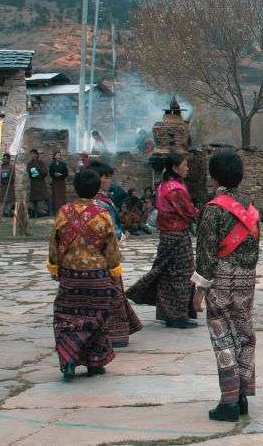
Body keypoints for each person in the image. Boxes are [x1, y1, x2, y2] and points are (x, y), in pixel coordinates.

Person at [191, 149, 260, 422]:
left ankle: (228, 401)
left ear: (214, 176)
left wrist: (199, 290)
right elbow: (254, 249)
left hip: (220, 280)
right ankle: (242, 395)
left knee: (222, 338)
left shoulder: (213, 209)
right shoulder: (251, 208)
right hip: (246, 281)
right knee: (244, 335)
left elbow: (206, 254)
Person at [47, 169, 122, 381]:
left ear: (75, 187)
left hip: (70, 275)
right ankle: (94, 364)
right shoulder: (102, 214)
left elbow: (55, 242)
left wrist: (54, 267)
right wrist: (114, 271)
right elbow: (111, 248)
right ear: (97, 189)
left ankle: (69, 359)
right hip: (97, 276)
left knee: (67, 318)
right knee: (96, 319)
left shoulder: (63, 212)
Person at [127, 151, 201, 329]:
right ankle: (177, 315)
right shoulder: (175, 189)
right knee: (182, 274)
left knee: (167, 272)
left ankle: (167, 313)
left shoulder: (163, 186)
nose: (187, 168)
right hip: (177, 236)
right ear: (175, 168)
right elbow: (189, 212)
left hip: (167, 235)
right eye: (185, 165)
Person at [85, 161, 142, 347]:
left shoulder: (100, 200)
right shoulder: (100, 203)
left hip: (94, 256)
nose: (109, 180)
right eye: (105, 177)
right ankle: (113, 332)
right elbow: (110, 230)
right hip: (105, 254)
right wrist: (121, 236)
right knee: (112, 292)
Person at [27, 149, 50, 218]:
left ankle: (50, 212)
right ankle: (35, 214)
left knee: (46, 197)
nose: (32, 155)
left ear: (37, 155)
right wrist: (31, 173)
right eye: (31, 154)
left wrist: (38, 173)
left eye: (34, 154)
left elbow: (45, 171)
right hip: (33, 183)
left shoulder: (40, 162)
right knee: (34, 199)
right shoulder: (30, 163)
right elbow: (28, 170)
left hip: (40, 182)